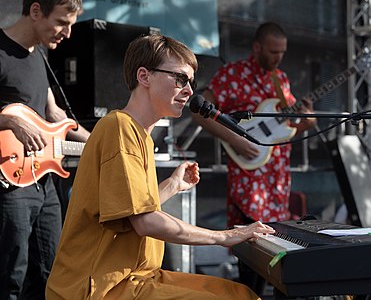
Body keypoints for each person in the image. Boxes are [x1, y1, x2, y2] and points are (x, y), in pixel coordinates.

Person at [45, 34, 274, 299]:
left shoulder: (137, 134)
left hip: (137, 277)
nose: (189, 91)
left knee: (241, 294)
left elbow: (131, 210)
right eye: (180, 79)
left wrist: (172, 186)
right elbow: (144, 222)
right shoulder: (119, 127)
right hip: (101, 287)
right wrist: (224, 237)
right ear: (144, 76)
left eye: (191, 81)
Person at [191, 22, 316, 293]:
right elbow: (198, 111)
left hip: (277, 178)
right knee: (253, 250)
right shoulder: (233, 74)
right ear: (257, 47)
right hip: (249, 176)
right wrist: (233, 137)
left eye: (282, 52)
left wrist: (308, 121)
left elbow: (290, 125)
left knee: (273, 250)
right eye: (273, 52)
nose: (278, 58)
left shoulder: (280, 79)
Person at [0, 0, 90, 299]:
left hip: (44, 182)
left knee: (49, 273)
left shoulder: (39, 56)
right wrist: (8, 118)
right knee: (10, 276)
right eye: (61, 23)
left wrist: (99, 141)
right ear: (36, 11)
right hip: (9, 184)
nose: (67, 33)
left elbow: (55, 115)